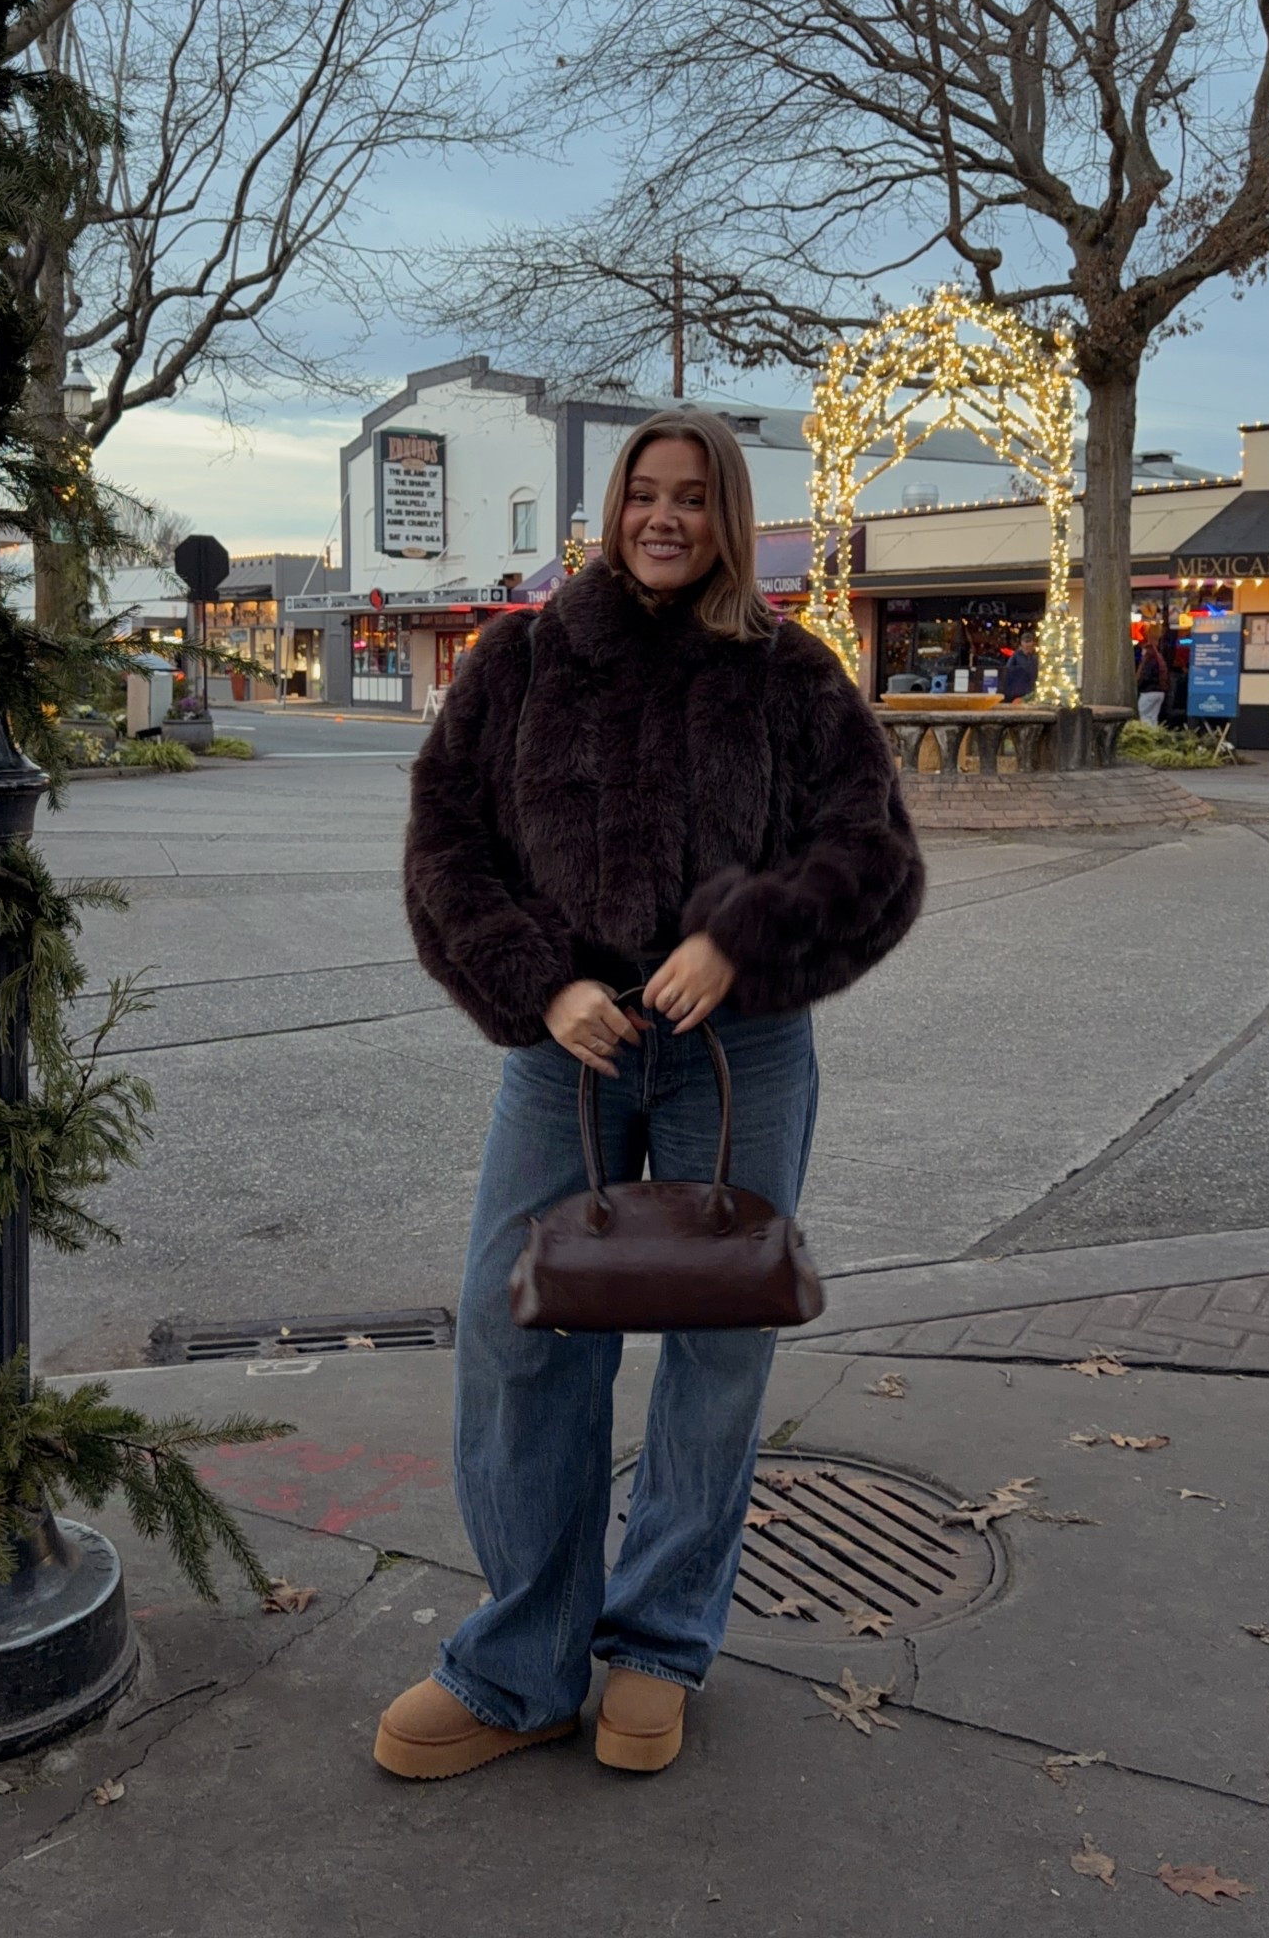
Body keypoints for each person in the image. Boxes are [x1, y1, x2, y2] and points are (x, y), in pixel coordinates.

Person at [386, 409, 924, 1781]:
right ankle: (520, 1663)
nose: (666, 517)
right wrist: (537, 981)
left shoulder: (791, 677)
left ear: (727, 516)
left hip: (738, 1056)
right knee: (515, 1336)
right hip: (559, 1051)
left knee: (717, 1348)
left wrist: (739, 931)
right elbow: (448, 838)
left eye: (693, 497)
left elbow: (873, 853)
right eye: (645, 494)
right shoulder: (522, 661)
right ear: (612, 509)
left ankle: (658, 1643)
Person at [1135, 636, 1169, 726]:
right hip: (1160, 692)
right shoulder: (1160, 663)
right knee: (1153, 717)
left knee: (1143, 715)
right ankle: (1154, 735)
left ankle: (1145, 735)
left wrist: (1138, 685)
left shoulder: (1148, 663)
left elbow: (1146, 677)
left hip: (1148, 692)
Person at [1002, 628, 1038, 702]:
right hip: (1019, 691)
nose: (1028, 646)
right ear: (1022, 644)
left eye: (1029, 643)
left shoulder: (1036, 656)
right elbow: (1008, 670)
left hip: (1032, 690)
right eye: (1026, 643)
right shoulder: (1016, 656)